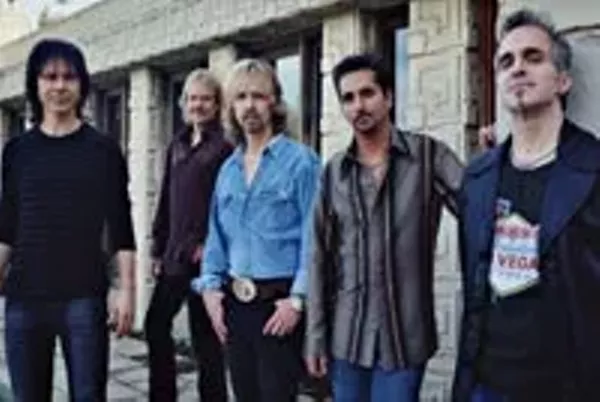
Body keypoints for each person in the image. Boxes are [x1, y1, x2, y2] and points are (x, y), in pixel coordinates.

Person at [453, 9, 600, 401]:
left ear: (563, 80)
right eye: (506, 61)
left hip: (569, 386)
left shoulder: (594, 170)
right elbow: (473, 289)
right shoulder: (477, 178)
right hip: (487, 384)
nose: (517, 68)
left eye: (533, 57)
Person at [304, 53, 464, 402]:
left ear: (388, 97)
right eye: (348, 98)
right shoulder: (334, 173)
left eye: (367, 93)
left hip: (404, 336)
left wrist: (494, 159)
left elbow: (475, 207)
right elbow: (318, 257)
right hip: (347, 337)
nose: (358, 106)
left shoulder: (427, 157)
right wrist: (315, 335)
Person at [0, 38, 136, 401]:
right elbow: (7, 225)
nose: (59, 86)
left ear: (82, 85)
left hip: (83, 297)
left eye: (69, 77)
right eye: (50, 76)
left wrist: (125, 291)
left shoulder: (103, 150)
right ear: (35, 84)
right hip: (24, 299)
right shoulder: (17, 151)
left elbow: (121, 226)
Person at [191, 58, 321, 402]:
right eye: (241, 97)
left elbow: (315, 238)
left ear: (274, 102)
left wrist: (298, 300)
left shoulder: (302, 163)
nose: (249, 105)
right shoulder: (227, 170)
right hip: (235, 308)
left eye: (258, 96)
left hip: (279, 308)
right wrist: (209, 290)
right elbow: (216, 237)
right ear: (231, 107)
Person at [144, 68, 231, 402]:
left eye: (205, 99)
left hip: (204, 262)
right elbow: (166, 198)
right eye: (192, 99)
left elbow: (228, 206)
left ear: (216, 104)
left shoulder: (224, 148)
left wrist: (210, 244)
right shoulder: (177, 145)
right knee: (155, 325)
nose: (198, 105)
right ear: (184, 103)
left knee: (205, 342)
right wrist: (157, 248)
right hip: (173, 256)